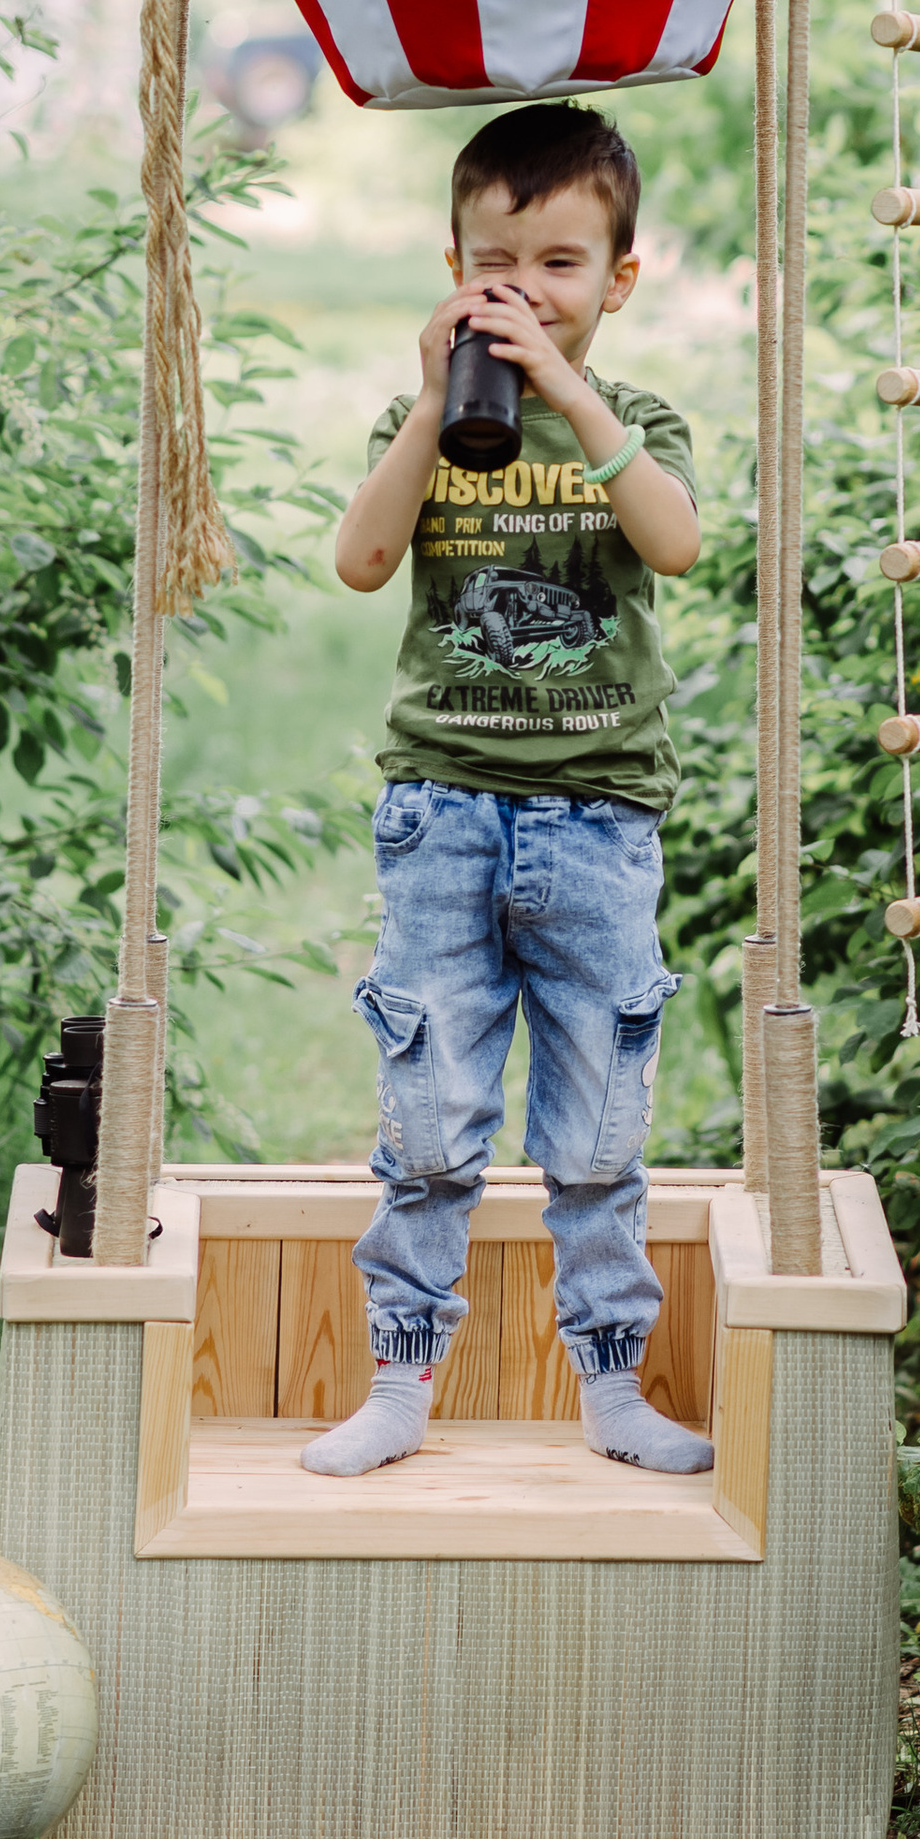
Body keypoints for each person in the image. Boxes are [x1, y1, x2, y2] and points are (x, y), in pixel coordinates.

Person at [307, 99, 713, 1478]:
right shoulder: (426, 416)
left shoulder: (636, 418)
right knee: (429, 1116)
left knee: (598, 1122)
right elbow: (361, 562)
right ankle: (399, 1383)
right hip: (446, 816)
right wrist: (434, 398)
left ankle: (612, 1390)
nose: (530, 292)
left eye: (561, 264)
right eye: (501, 264)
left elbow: (676, 539)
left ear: (618, 279)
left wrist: (570, 388)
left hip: (599, 817)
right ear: (453, 267)